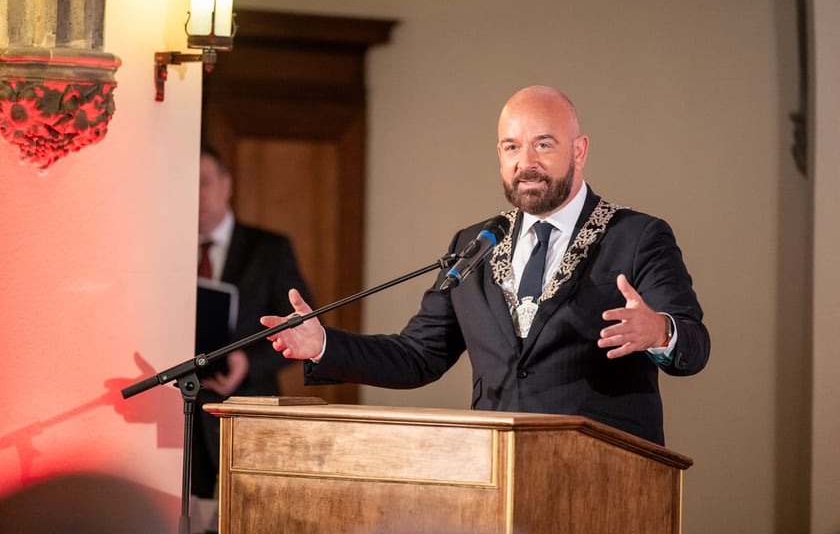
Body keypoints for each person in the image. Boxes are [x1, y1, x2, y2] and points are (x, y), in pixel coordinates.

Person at [260, 86, 710, 446]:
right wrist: (323, 344)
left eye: (543, 145)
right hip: (495, 474)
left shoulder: (637, 237)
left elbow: (695, 344)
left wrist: (661, 332)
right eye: (512, 147)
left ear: (579, 150)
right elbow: (418, 356)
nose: (525, 163)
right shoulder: (475, 244)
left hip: (606, 476)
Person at [192, 148, 312, 499]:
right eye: (189, 184)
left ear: (226, 185)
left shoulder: (270, 248)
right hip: (183, 410)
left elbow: (300, 325)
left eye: (204, 182)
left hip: (248, 404)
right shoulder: (168, 248)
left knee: (250, 503)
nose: (197, 194)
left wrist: (247, 362)